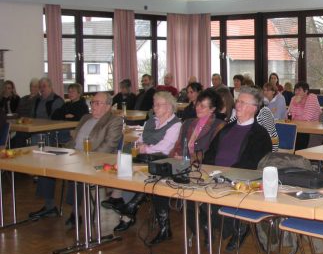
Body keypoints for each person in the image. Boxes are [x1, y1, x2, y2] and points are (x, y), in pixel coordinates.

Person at [28, 92, 122, 222]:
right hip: (75, 155)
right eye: (92, 102)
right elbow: (74, 140)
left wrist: (84, 157)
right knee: (47, 164)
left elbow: (108, 146)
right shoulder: (85, 118)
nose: (93, 105)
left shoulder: (114, 121)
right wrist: (65, 151)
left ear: (107, 106)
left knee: (75, 171)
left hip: (96, 159)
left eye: (97, 103)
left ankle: (76, 212)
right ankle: (49, 206)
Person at [149, 89, 225, 240]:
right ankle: (164, 227)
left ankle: (204, 227)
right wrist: (174, 158)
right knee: (156, 182)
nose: (198, 108)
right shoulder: (188, 123)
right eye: (197, 104)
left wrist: (189, 159)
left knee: (189, 192)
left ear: (213, 109)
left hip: (201, 168)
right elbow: (177, 146)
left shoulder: (219, 126)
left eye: (203, 106)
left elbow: (211, 153)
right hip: (181, 164)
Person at [203, 86, 272, 250]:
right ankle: (207, 226)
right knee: (190, 192)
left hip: (239, 180)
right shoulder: (227, 128)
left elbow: (251, 164)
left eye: (242, 102)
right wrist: (209, 169)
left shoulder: (260, 135)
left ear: (254, 109)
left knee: (217, 192)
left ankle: (238, 228)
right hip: (215, 175)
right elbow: (210, 153)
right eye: (237, 101)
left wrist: (225, 173)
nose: (237, 105)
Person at [113, 92, 182, 241]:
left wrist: (145, 148)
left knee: (149, 178)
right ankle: (124, 204)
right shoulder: (151, 121)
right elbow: (140, 139)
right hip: (147, 159)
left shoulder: (176, 124)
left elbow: (165, 147)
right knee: (126, 162)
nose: (154, 107)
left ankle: (129, 208)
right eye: (154, 104)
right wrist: (139, 146)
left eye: (158, 104)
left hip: (164, 160)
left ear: (169, 107)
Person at [287, 81, 322, 150]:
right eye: (295, 90)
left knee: (299, 137)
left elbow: (307, 118)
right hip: (299, 128)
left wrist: (296, 117)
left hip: (313, 129)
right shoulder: (294, 99)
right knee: (289, 133)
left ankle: (300, 157)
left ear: (306, 91)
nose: (296, 92)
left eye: (299, 90)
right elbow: (288, 117)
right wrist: (294, 104)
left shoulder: (312, 98)